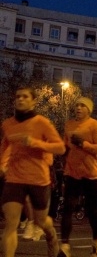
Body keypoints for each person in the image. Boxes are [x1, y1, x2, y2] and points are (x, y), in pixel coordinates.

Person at [0, 87, 66, 257]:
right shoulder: (8, 124)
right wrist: (2, 165)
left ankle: (51, 238)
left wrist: (36, 143)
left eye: (25, 96)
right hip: (14, 178)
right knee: (11, 225)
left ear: (33, 101)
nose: (20, 99)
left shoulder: (42, 123)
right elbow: (5, 145)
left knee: (41, 221)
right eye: (17, 96)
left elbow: (60, 147)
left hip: (38, 179)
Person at [58, 96, 97, 257]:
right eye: (77, 105)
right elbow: (65, 145)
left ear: (88, 110)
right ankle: (65, 245)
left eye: (82, 106)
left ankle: (95, 239)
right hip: (72, 172)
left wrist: (83, 144)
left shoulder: (95, 126)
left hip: (90, 173)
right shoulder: (69, 124)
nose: (78, 108)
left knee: (91, 210)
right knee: (67, 208)